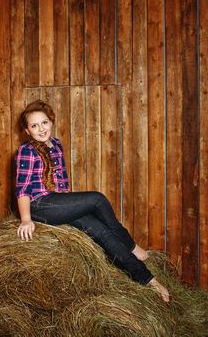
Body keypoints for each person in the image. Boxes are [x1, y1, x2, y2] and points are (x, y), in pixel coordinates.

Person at [15, 99, 170, 303]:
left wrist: (72, 207)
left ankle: (147, 279)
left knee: (102, 232)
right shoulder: (26, 150)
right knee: (97, 199)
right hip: (40, 206)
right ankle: (130, 244)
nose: (41, 129)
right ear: (27, 131)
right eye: (34, 125)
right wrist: (26, 219)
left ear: (51, 122)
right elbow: (22, 188)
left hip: (58, 203)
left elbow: (62, 184)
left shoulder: (57, 145)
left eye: (44, 122)